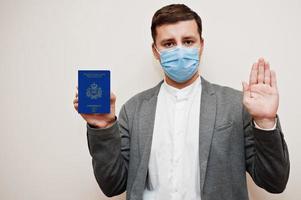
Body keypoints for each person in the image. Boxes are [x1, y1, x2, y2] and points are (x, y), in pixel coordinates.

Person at [73, 4, 289, 200]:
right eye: (168, 43)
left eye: (188, 41)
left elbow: (274, 182)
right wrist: (102, 127)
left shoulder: (235, 105)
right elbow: (113, 185)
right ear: (155, 51)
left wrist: (265, 122)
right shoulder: (134, 109)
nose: (179, 51)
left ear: (201, 45)